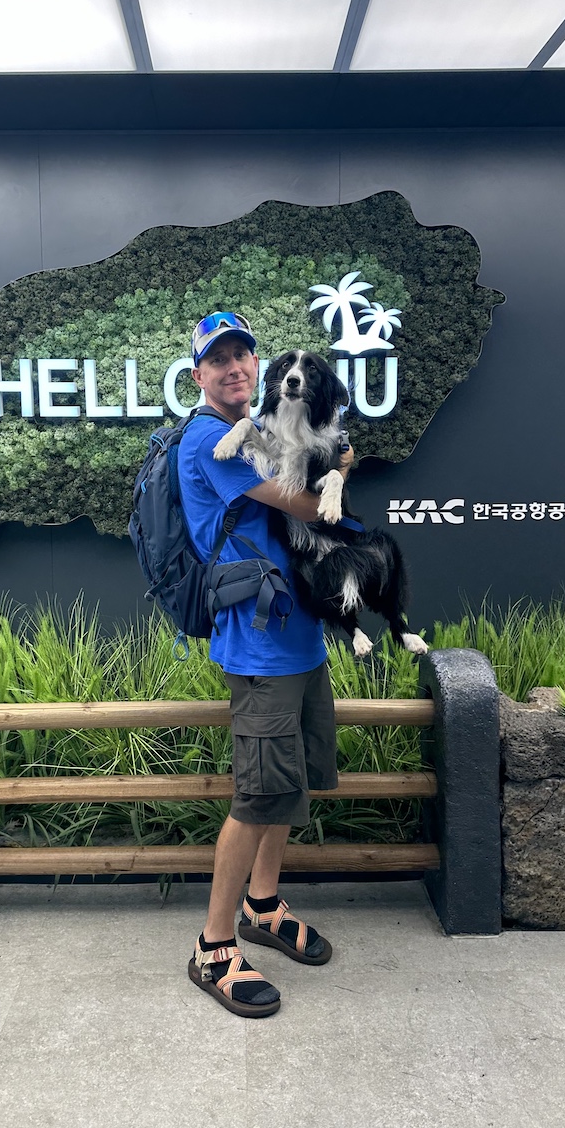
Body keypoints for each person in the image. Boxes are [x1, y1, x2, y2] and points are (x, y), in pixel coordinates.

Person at [178, 309, 353, 1018]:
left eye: (243, 356)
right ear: (198, 375)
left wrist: (337, 462)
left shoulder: (273, 425)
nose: (235, 368)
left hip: (300, 639)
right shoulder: (206, 440)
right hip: (257, 648)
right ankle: (214, 947)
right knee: (255, 797)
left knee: (287, 783)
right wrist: (336, 474)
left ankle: (262, 905)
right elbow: (296, 502)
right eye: (218, 360)